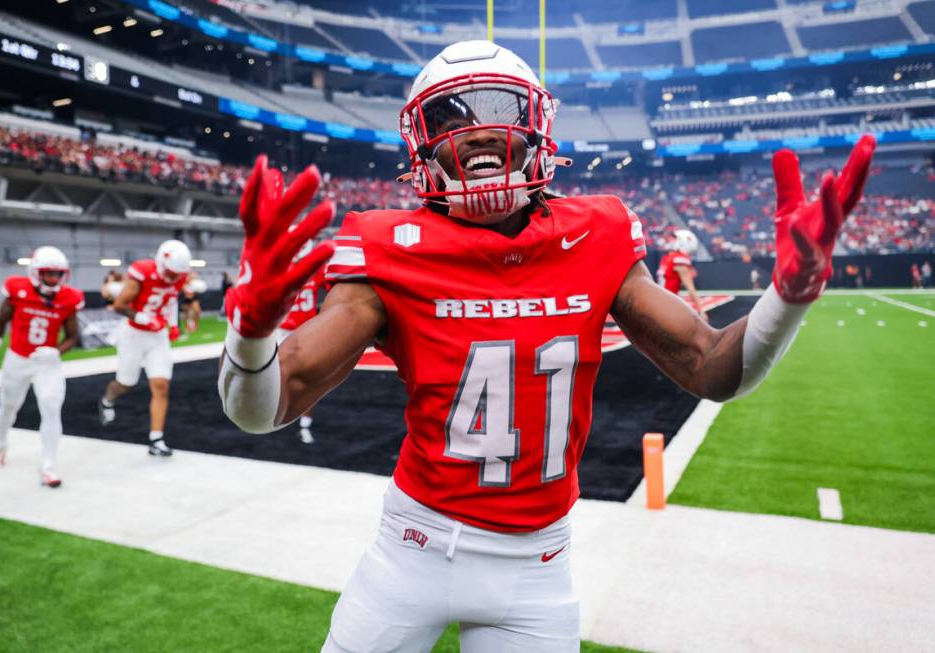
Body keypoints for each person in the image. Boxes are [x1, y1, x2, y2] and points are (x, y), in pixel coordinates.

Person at [217, 41, 875, 653]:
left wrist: (787, 295)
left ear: (538, 127)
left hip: (538, 565)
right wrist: (249, 335)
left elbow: (710, 365)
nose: (477, 129)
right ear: (422, 143)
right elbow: (270, 403)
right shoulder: (389, 245)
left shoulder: (599, 232)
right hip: (412, 548)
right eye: (451, 115)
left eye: (499, 108)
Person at [0, 246, 84, 487]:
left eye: (57, 274)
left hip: (47, 363)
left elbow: (72, 336)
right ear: (35, 272)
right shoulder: (18, 289)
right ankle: (1, 446)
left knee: (51, 408)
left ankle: (48, 465)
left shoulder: (69, 297)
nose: (53, 279)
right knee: (8, 407)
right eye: (48, 273)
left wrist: (56, 351)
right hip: (17, 358)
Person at [97, 240, 192, 457]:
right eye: (170, 272)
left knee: (161, 385)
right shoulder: (142, 271)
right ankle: (107, 399)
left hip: (157, 336)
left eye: (177, 274)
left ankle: (156, 439)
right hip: (133, 333)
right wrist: (144, 318)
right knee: (126, 383)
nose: (173, 277)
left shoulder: (179, 275)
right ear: (160, 262)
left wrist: (174, 323)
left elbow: (171, 300)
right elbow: (119, 305)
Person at [275, 244, 325, 444]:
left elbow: (333, 285)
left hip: (306, 331)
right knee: (278, 376)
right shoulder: (280, 270)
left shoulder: (316, 269)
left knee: (309, 378)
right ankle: (279, 416)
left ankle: (305, 422)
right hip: (283, 330)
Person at [656, 229, 707, 321]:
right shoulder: (667, 257)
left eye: (674, 238)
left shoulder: (679, 260)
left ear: (684, 242)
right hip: (659, 304)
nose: (670, 240)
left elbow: (690, 288)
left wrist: (701, 310)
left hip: (667, 306)